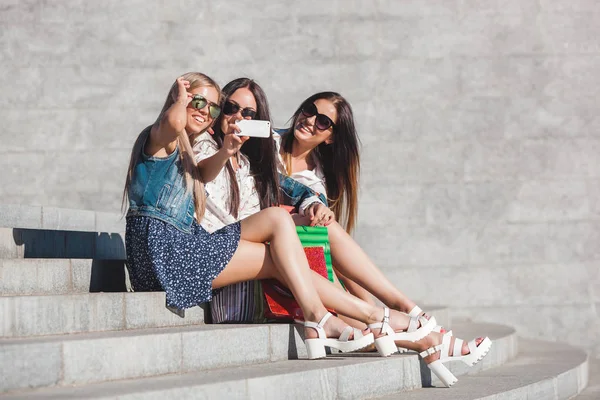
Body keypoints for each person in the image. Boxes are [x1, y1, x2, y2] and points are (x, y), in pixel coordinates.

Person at [121, 72, 464, 387]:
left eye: (214, 107)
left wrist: (309, 199)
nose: (216, 113)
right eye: (222, 106)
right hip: (174, 259)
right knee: (280, 225)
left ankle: (386, 319)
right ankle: (390, 321)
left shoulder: (217, 156)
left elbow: (257, 181)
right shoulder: (171, 139)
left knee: (289, 244)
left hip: (191, 254)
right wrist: (181, 101)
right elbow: (172, 124)